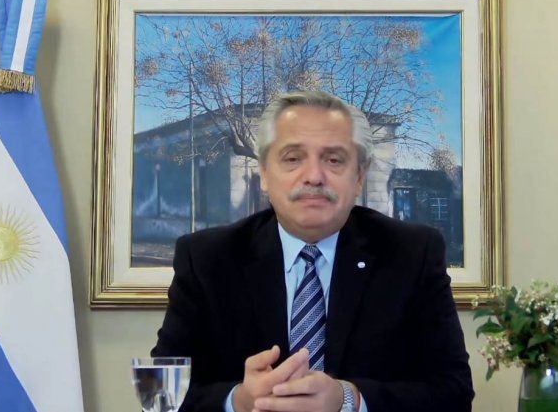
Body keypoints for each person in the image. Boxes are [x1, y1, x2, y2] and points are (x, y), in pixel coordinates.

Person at [151, 91, 474, 412]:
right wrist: (239, 401)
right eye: (293, 158)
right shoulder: (206, 258)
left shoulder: (413, 253)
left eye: (334, 160)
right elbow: (159, 396)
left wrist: (350, 400)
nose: (314, 177)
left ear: (359, 176)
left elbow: (455, 394)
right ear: (265, 173)